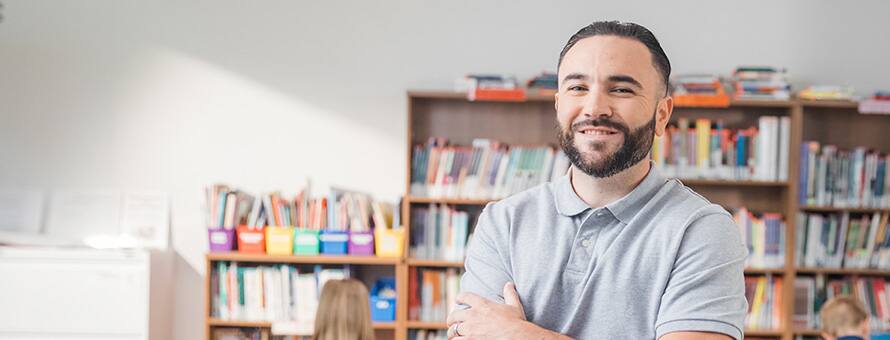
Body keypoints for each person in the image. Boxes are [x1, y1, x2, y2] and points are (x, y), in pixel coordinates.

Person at [446, 21, 748, 339]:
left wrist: (521, 334)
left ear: (662, 115)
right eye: (578, 88)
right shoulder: (503, 222)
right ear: (558, 104)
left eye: (621, 89)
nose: (595, 108)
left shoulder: (701, 229)